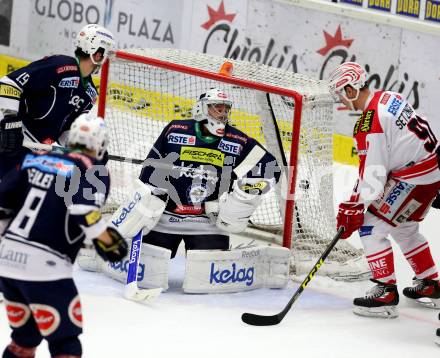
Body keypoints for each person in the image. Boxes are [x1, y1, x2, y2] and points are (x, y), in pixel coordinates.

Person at [0, 114, 128, 358]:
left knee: (23, 341)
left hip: (6, 264)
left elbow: (2, 207)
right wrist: (108, 242)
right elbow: (84, 212)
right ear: (101, 144)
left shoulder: (34, 158)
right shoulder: (93, 169)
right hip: (47, 269)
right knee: (65, 344)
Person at [328, 62, 440, 318]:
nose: (343, 102)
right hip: (430, 173)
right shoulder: (389, 97)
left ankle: (386, 292)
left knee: (370, 228)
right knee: (405, 228)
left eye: (342, 94)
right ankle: (431, 283)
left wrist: (352, 206)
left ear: (351, 89)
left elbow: (373, 177)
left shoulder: (370, 123)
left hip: (416, 179)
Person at [112, 87, 280, 258]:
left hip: (209, 221)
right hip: (166, 216)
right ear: (202, 108)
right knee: (148, 267)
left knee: (207, 276)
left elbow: (271, 167)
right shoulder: (176, 129)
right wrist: (147, 201)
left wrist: (245, 193)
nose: (223, 114)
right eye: (217, 108)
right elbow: (151, 167)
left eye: (226, 110)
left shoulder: (237, 140)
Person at [0, 23, 115, 179]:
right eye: (105, 54)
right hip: (9, 139)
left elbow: (64, 133)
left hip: (33, 151)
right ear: (97, 53)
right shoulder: (59, 65)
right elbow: (10, 83)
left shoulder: (90, 93)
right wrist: (10, 122)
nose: (105, 60)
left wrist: (85, 148)